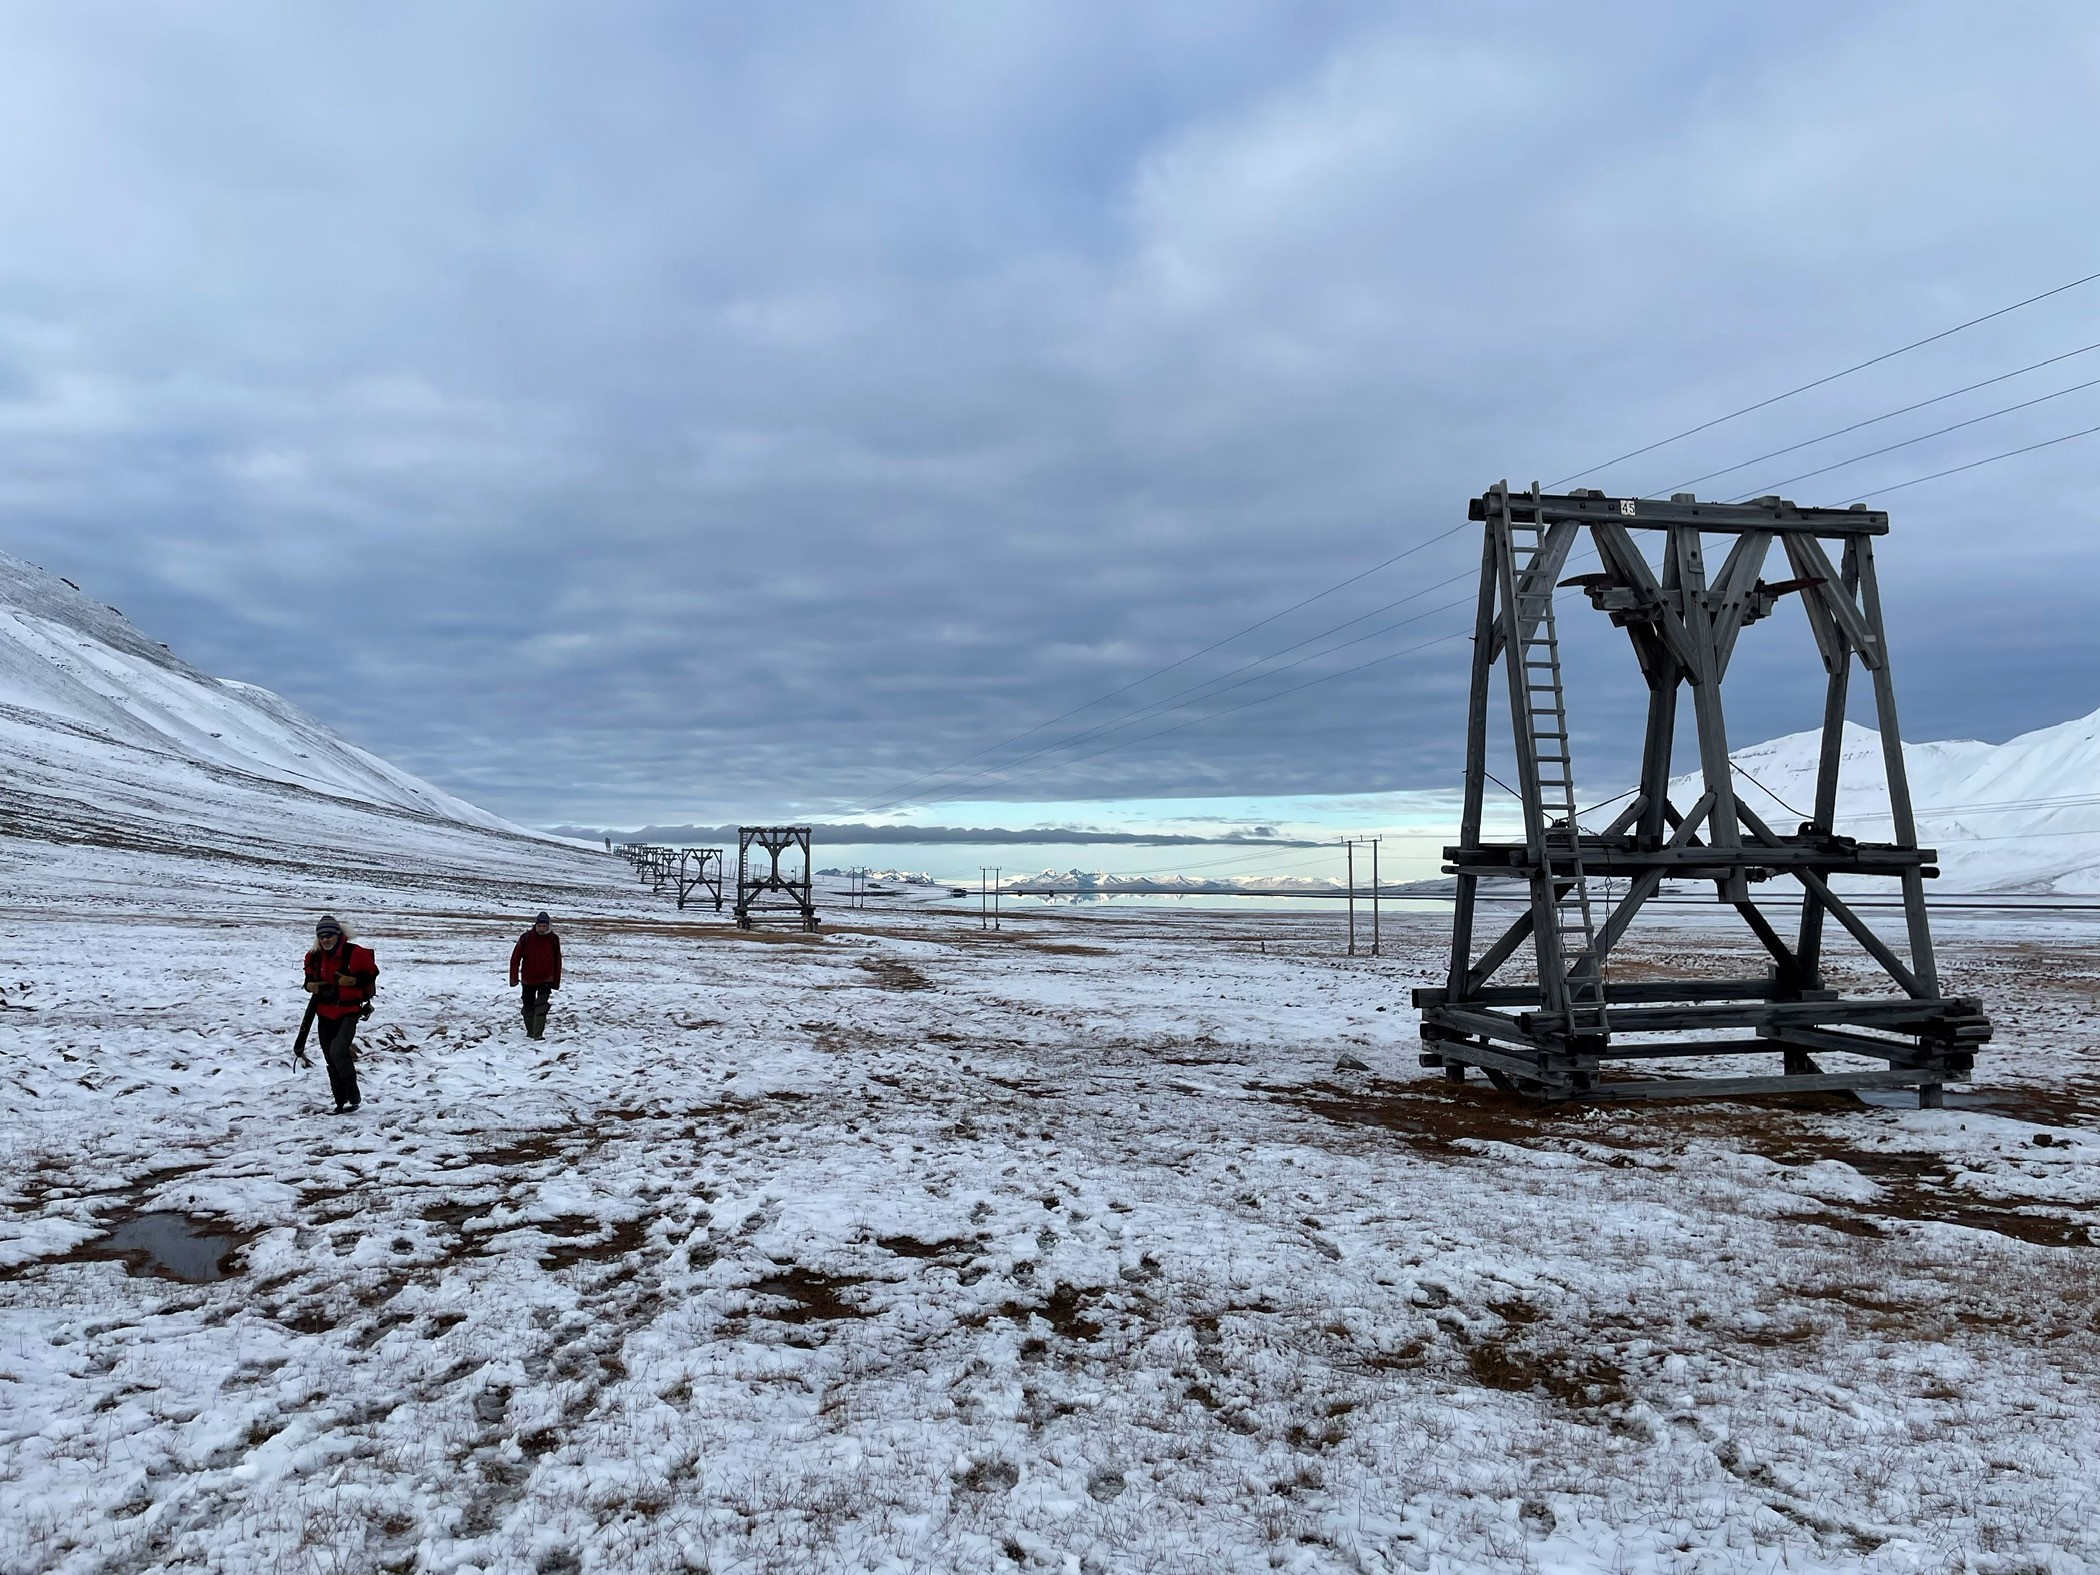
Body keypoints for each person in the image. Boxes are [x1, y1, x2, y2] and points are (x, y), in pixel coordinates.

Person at [304, 916, 379, 1112]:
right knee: (330, 1057)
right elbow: (308, 980)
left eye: (329, 935)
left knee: (338, 1052)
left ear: (339, 935)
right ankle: (340, 1102)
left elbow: (372, 973)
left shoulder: (355, 954)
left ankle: (353, 1096)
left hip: (348, 1011)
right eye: (321, 936)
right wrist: (309, 986)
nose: (325, 940)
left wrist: (353, 981)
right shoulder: (314, 956)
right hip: (324, 1012)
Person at [509, 911, 562, 1039]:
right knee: (528, 1006)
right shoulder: (526, 938)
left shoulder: (554, 939)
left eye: (544, 926)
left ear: (548, 925)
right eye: (539, 926)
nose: (541, 929)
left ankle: (538, 1034)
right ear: (535, 925)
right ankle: (530, 1032)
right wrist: (514, 978)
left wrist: (555, 982)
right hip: (528, 979)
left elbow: (557, 961)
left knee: (542, 1006)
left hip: (546, 979)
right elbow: (515, 958)